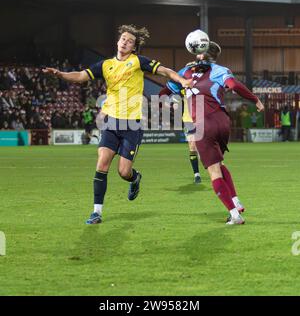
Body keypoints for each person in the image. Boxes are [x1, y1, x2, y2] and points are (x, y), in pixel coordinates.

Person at [43, 24, 193, 224]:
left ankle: (135, 178)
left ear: (133, 47)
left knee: (124, 172)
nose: (125, 42)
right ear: (117, 41)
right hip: (111, 121)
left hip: (132, 125)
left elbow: (164, 71)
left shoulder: (138, 62)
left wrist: (182, 81)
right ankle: (96, 212)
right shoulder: (105, 65)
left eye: (130, 41)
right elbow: (80, 76)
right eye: (123, 39)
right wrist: (60, 74)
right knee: (102, 163)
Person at [162, 41, 264, 225]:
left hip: (203, 124)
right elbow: (234, 85)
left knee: (214, 171)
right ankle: (235, 201)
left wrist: (161, 103)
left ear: (197, 52)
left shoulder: (185, 73)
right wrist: (254, 99)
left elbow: (166, 92)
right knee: (219, 163)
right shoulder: (220, 70)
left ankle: (234, 215)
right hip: (222, 122)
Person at [159, 65, 202, 184]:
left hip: (205, 117)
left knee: (208, 147)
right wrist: (165, 104)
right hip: (189, 119)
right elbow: (163, 94)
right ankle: (197, 174)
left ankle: (218, 167)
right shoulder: (181, 83)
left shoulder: (205, 81)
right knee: (192, 146)